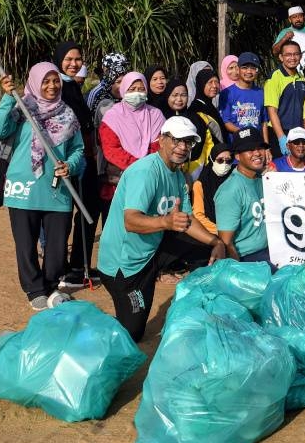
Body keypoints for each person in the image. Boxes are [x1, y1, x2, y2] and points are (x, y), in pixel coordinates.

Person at [96, 116, 232, 341]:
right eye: (177, 140)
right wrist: (166, 222)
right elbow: (130, 221)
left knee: (208, 251)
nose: (182, 147)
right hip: (124, 264)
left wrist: (216, 242)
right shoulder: (146, 171)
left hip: (153, 248)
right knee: (133, 333)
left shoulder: (177, 174)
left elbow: (187, 218)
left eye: (188, 142)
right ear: (162, 140)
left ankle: (200, 307)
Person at [0, 63, 84, 310]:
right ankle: (34, 289)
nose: (52, 86)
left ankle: (52, 286)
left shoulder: (68, 114)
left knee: (57, 244)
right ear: (34, 82)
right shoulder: (22, 109)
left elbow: (78, 150)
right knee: (25, 244)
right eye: (46, 81)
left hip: (57, 189)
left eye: (55, 81)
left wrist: (70, 165)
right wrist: (9, 98)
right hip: (23, 188)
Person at [53, 41, 100, 288]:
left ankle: (79, 266)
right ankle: (61, 270)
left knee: (87, 213)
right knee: (63, 215)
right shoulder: (57, 86)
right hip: (67, 160)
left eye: (78, 59)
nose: (74, 64)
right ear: (59, 59)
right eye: (69, 59)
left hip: (85, 160)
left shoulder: (73, 86)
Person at [97, 72, 166, 205]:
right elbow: (111, 149)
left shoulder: (156, 115)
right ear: (123, 90)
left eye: (141, 89)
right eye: (132, 89)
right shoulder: (112, 117)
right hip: (119, 180)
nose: (137, 93)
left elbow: (160, 144)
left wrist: (146, 168)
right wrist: (137, 167)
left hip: (151, 178)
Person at [214, 128, 272, 267]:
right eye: (250, 150)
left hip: (270, 251)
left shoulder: (263, 179)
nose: (257, 153)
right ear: (238, 156)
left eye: (260, 148)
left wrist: (275, 180)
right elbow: (226, 242)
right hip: (247, 257)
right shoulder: (230, 190)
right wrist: (240, 271)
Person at [264, 39, 305, 157]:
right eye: (288, 55)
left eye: (296, 54)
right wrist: (281, 138)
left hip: (298, 133)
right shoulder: (274, 77)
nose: (292, 58)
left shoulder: (302, 78)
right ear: (281, 57)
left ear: (301, 56)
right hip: (279, 132)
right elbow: (272, 111)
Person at [219, 52, 267, 145]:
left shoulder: (261, 93)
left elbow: (263, 121)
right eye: (245, 68)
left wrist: (266, 145)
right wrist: (246, 134)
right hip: (236, 145)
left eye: (253, 68)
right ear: (239, 69)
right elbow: (226, 122)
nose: (249, 72)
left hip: (256, 144)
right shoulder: (227, 93)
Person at [187, 68, 226, 176]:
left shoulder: (209, 106)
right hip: (205, 165)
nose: (214, 86)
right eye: (210, 82)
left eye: (216, 82)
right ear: (201, 84)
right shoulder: (197, 109)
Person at [192, 144, 233, 236]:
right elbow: (198, 215)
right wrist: (221, 232)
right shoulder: (200, 184)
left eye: (228, 160)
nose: (224, 164)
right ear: (212, 159)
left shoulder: (236, 176)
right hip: (215, 233)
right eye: (220, 160)